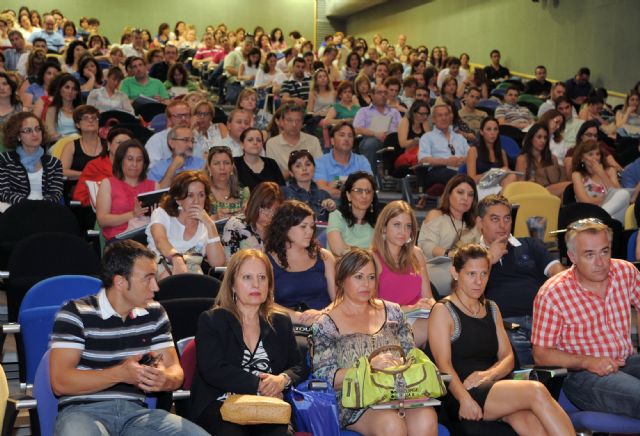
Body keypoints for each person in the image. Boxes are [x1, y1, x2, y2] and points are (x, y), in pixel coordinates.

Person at [50, 240, 209, 436]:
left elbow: (176, 372)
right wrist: (121, 374)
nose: (156, 287)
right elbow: (60, 382)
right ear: (120, 282)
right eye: (148, 278)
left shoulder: (155, 313)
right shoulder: (75, 313)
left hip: (136, 415)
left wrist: (164, 379)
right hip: (82, 412)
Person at [428, 244, 574, 434]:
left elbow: (508, 357)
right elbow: (443, 365)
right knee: (536, 391)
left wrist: (487, 375)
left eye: (484, 274)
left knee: (528, 421)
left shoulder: (492, 308)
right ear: (455, 273)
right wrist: (464, 399)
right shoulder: (443, 310)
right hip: (461, 390)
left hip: (493, 384)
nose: (478, 281)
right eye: (471, 274)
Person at [312, 248, 439, 435]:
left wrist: (401, 364)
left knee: (427, 419)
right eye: (358, 277)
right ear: (341, 280)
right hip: (354, 400)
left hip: (397, 393)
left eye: (371, 277)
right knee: (392, 425)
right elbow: (325, 377)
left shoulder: (394, 312)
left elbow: (410, 353)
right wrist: (368, 368)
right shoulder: (325, 323)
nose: (366, 284)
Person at [190, 248, 308, 435]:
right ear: (232, 285)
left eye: (262, 277)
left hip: (267, 407)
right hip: (221, 405)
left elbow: (299, 365)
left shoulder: (280, 321)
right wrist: (259, 385)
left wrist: (281, 380)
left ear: (269, 284)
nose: (256, 284)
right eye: (247, 277)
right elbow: (212, 369)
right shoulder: (212, 320)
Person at [532, 218, 640, 419]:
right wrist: (587, 361)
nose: (600, 263)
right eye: (589, 255)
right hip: (581, 375)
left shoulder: (625, 272)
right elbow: (541, 354)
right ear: (572, 256)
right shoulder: (554, 293)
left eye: (604, 251)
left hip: (627, 360)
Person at [476, 195, 564, 366]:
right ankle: (533, 387)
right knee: (516, 350)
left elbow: (559, 273)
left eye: (507, 218)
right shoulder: (472, 255)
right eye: (495, 219)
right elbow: (467, 294)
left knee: (569, 345)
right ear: (480, 223)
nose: (503, 225)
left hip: (543, 319)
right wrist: (488, 259)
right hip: (506, 324)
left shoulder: (530, 245)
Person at [372, 200, 435, 347]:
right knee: (433, 326)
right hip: (387, 320)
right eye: (396, 225)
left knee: (443, 319)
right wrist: (410, 308)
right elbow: (370, 307)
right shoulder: (372, 258)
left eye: (408, 226)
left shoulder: (417, 254)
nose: (403, 231)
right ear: (383, 228)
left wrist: (430, 305)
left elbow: (428, 297)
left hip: (418, 317)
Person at [266, 200, 336, 325]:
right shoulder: (266, 261)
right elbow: (264, 303)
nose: (309, 232)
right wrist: (298, 317)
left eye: (311, 226)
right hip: (288, 325)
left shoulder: (325, 257)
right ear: (285, 227)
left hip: (326, 322)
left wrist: (323, 313)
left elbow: (339, 299)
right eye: (303, 226)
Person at [147, 170, 225, 278]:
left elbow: (217, 263)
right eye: (190, 195)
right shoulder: (162, 214)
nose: (196, 201)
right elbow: (160, 241)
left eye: (201, 195)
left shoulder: (206, 225)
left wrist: (210, 224)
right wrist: (176, 258)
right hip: (159, 272)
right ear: (178, 199)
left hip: (193, 278)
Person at [418, 175, 480, 295]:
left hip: (466, 272)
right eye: (460, 192)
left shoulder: (474, 224)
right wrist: (450, 254)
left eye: (470, 194)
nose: (465, 198)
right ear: (449, 194)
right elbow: (426, 246)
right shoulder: (436, 215)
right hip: (435, 270)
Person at [96, 139, 157, 241]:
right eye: (130, 159)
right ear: (121, 161)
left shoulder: (154, 186)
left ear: (144, 163)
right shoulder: (108, 183)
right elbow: (102, 220)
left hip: (149, 237)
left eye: (139, 160)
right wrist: (132, 214)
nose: (134, 164)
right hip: (119, 240)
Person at [0, 112, 63, 210]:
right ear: (18, 136)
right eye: (28, 130)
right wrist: (29, 205)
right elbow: (4, 192)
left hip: (44, 210)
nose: (35, 134)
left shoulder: (54, 163)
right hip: (14, 209)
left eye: (38, 129)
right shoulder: (5, 160)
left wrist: (40, 206)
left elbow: (56, 193)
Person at [571, 139, 629, 223]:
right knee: (622, 195)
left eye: (597, 154)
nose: (595, 158)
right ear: (582, 158)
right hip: (589, 212)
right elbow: (584, 200)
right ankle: (598, 218)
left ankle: (598, 218)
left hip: (612, 216)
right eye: (590, 154)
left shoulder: (610, 171)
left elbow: (617, 193)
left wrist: (602, 174)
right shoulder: (577, 175)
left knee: (625, 194)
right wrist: (606, 199)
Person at [73, 127, 132, 208]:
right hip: (100, 212)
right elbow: (80, 196)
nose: (124, 147)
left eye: (127, 144)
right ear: (109, 145)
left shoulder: (137, 166)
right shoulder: (94, 166)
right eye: (119, 142)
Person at [222, 181, 283, 258]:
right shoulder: (235, 225)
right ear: (255, 205)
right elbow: (230, 262)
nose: (270, 216)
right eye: (265, 209)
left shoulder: (279, 227)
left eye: (275, 211)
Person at [314, 121, 372, 199]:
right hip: (330, 208)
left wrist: (337, 183)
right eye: (342, 135)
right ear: (332, 141)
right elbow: (322, 191)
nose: (346, 139)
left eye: (350, 136)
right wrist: (355, 188)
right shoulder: (320, 162)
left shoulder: (362, 161)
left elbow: (368, 187)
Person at [417, 103, 469, 189]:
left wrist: (464, 160)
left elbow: (472, 155)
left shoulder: (460, 137)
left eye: (446, 115)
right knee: (457, 176)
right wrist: (446, 162)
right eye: (440, 115)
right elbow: (423, 160)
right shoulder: (427, 137)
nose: (444, 118)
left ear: (450, 117)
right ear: (433, 119)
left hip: (460, 169)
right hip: (438, 171)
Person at [327, 171, 379, 256]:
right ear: (348, 195)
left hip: (370, 268)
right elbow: (338, 249)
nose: (364, 196)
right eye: (359, 191)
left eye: (368, 191)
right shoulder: (336, 216)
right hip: (341, 267)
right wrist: (368, 254)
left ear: (373, 196)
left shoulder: (378, 221)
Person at [353, 83, 402, 170]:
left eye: (385, 93)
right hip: (372, 140)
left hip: (393, 141)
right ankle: (370, 176)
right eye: (379, 92)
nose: (383, 95)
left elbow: (402, 129)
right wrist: (375, 134)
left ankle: (396, 177)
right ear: (371, 95)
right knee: (370, 144)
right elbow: (357, 129)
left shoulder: (394, 112)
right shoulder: (363, 111)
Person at [265, 104, 322, 177]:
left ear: (302, 123)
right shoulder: (272, 143)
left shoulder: (313, 141)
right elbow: (273, 175)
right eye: (289, 120)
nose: (294, 124)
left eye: (298, 120)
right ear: (281, 122)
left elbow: (320, 169)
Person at [515, 124, 568, 197]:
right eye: (539, 137)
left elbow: (558, 179)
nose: (543, 141)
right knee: (569, 186)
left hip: (551, 190)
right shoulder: (522, 159)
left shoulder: (552, 158)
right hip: (533, 192)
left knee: (568, 186)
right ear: (531, 138)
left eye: (545, 138)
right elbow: (520, 185)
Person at [466, 117, 515, 196]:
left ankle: (501, 201)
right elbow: (471, 179)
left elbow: (506, 175)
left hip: (499, 187)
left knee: (512, 176)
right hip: (481, 188)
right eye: (489, 129)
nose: (493, 133)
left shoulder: (502, 152)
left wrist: (505, 171)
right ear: (481, 132)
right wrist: (492, 173)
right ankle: (501, 202)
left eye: (495, 129)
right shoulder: (473, 150)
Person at [283, 150, 335, 222]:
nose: (304, 169)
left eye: (308, 164)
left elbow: (334, 222)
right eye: (298, 166)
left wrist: (332, 209)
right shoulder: (285, 193)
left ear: (314, 168)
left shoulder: (323, 195)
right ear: (291, 173)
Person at [60, 105, 106, 182]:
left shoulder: (107, 144)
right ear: (77, 124)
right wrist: (86, 174)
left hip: (104, 188)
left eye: (94, 118)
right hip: (76, 188)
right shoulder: (71, 146)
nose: (91, 120)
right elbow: (62, 171)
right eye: (85, 118)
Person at [235, 127, 285, 191]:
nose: (255, 143)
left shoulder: (271, 163)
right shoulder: (234, 164)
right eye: (250, 140)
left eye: (259, 140)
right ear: (242, 144)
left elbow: (282, 189)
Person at [207, 145, 249, 220]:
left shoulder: (244, 192)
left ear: (232, 167)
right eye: (217, 163)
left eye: (226, 163)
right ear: (209, 168)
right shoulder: (203, 193)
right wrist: (214, 218)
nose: (222, 167)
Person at [146, 101, 193, 167]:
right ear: (169, 119)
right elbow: (153, 168)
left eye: (186, 115)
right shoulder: (157, 140)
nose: (183, 119)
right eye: (178, 116)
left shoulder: (195, 139)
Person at [35, 73, 81, 140]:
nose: (70, 91)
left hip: (80, 144)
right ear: (60, 90)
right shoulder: (52, 109)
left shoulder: (81, 111)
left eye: (74, 89)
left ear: (77, 93)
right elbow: (51, 133)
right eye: (67, 87)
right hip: (59, 144)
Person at [394, 100, 431, 173]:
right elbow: (402, 144)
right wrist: (416, 141)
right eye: (422, 114)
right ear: (414, 113)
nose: (425, 116)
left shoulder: (424, 122)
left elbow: (430, 141)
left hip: (420, 154)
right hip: (405, 155)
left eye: (427, 114)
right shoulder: (405, 121)